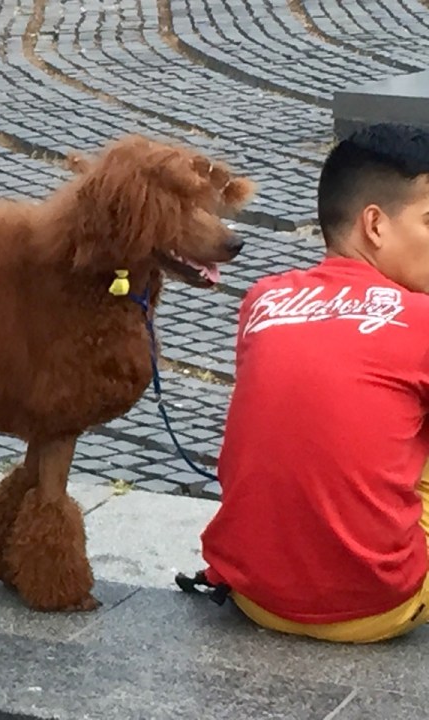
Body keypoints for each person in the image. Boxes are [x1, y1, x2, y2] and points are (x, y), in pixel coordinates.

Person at [190, 122, 429, 643]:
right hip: (375, 606)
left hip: (254, 594)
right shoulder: (422, 318)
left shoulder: (264, 299)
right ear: (375, 225)